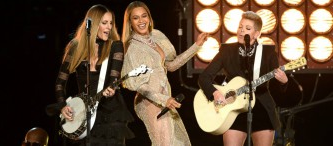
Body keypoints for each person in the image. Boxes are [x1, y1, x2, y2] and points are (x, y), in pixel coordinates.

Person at [120, 1, 208, 146]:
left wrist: (196, 46)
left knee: (174, 142)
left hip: (165, 98)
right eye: (136, 18)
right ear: (130, 23)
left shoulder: (156, 36)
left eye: (144, 16)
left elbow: (172, 65)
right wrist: (162, 99)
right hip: (149, 101)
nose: (141, 21)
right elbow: (140, 86)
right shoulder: (133, 48)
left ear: (149, 18)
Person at [198, 11, 289, 146]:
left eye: (247, 28)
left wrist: (284, 82)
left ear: (256, 34)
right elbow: (204, 77)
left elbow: (278, 89)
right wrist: (215, 93)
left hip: (261, 107)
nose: (241, 31)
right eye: (240, 27)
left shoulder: (268, 53)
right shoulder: (227, 50)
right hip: (233, 108)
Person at [54, 4, 134, 146]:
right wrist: (62, 105)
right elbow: (60, 82)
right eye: (104, 23)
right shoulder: (75, 47)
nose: (109, 27)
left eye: (111, 23)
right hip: (82, 115)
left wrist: (111, 89)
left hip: (110, 114)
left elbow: (113, 79)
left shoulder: (115, 46)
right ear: (93, 24)